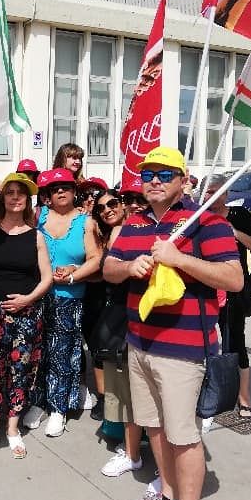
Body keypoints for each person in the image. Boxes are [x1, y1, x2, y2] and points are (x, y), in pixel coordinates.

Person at [104, 147, 243, 500]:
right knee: (155, 427)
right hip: (140, 344)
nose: (153, 180)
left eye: (165, 174)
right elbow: (109, 268)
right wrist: (130, 265)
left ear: (183, 181)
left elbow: (234, 278)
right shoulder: (133, 223)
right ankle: (167, 498)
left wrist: (177, 258)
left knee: (183, 435)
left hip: (183, 352)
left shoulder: (207, 223)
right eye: (148, 173)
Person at [0, 173, 52, 459]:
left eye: (21, 193)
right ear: (2, 198)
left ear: (27, 200)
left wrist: (28, 299)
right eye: (10, 192)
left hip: (27, 315)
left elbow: (46, 279)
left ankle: (13, 428)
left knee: (21, 372)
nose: (15, 197)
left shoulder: (36, 235)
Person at [21, 168, 101, 437]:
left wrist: (72, 275)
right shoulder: (39, 216)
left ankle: (59, 408)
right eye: (55, 189)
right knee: (39, 352)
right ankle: (40, 402)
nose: (61, 191)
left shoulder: (86, 222)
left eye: (66, 187)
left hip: (70, 298)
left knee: (63, 355)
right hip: (39, 296)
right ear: (47, 195)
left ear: (74, 190)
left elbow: (95, 259)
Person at [90, 190, 145, 477]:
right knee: (124, 387)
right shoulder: (115, 234)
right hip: (119, 317)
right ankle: (132, 448)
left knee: (132, 388)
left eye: (113, 204)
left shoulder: (131, 231)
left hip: (136, 317)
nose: (108, 210)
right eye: (102, 208)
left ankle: (134, 449)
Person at [203, 174, 251, 418]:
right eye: (207, 192)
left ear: (227, 193)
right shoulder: (199, 218)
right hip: (204, 290)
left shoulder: (239, 216)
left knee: (235, 342)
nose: (211, 196)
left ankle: (243, 396)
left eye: (216, 191)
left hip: (232, 292)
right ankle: (210, 388)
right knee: (204, 343)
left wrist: (235, 233)